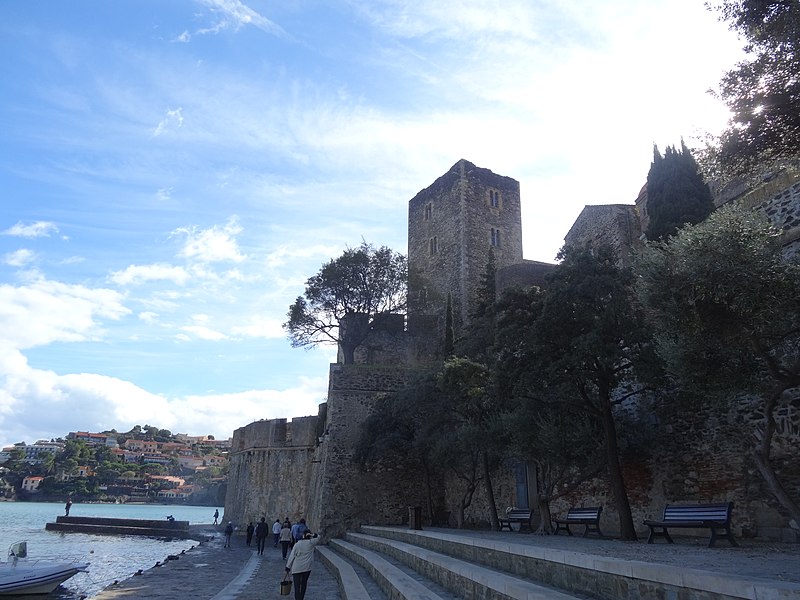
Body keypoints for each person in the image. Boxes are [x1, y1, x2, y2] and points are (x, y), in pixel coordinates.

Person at [285, 531, 320, 600]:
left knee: (297, 586)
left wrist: (288, 567)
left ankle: (297, 598)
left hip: (297, 568)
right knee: (304, 585)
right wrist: (312, 534)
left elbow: (292, 556)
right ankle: (301, 598)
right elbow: (319, 537)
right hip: (307, 568)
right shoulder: (311, 543)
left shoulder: (297, 544)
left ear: (303, 535)